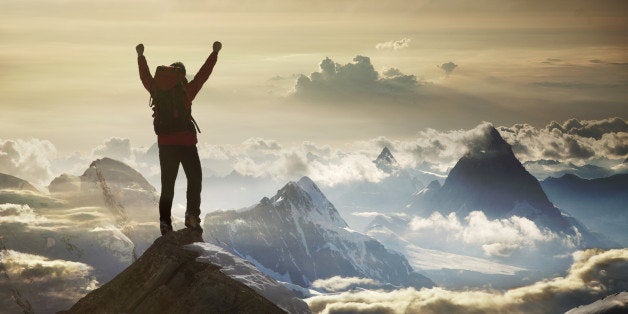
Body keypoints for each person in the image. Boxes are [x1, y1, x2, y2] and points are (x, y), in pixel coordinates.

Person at [136, 41, 221, 235]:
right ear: (181, 76)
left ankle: (165, 223)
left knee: (168, 185)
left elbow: (145, 76)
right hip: (186, 143)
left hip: (165, 144)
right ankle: (192, 217)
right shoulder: (186, 91)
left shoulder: (156, 90)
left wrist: (140, 56)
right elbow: (203, 75)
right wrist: (215, 53)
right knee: (194, 178)